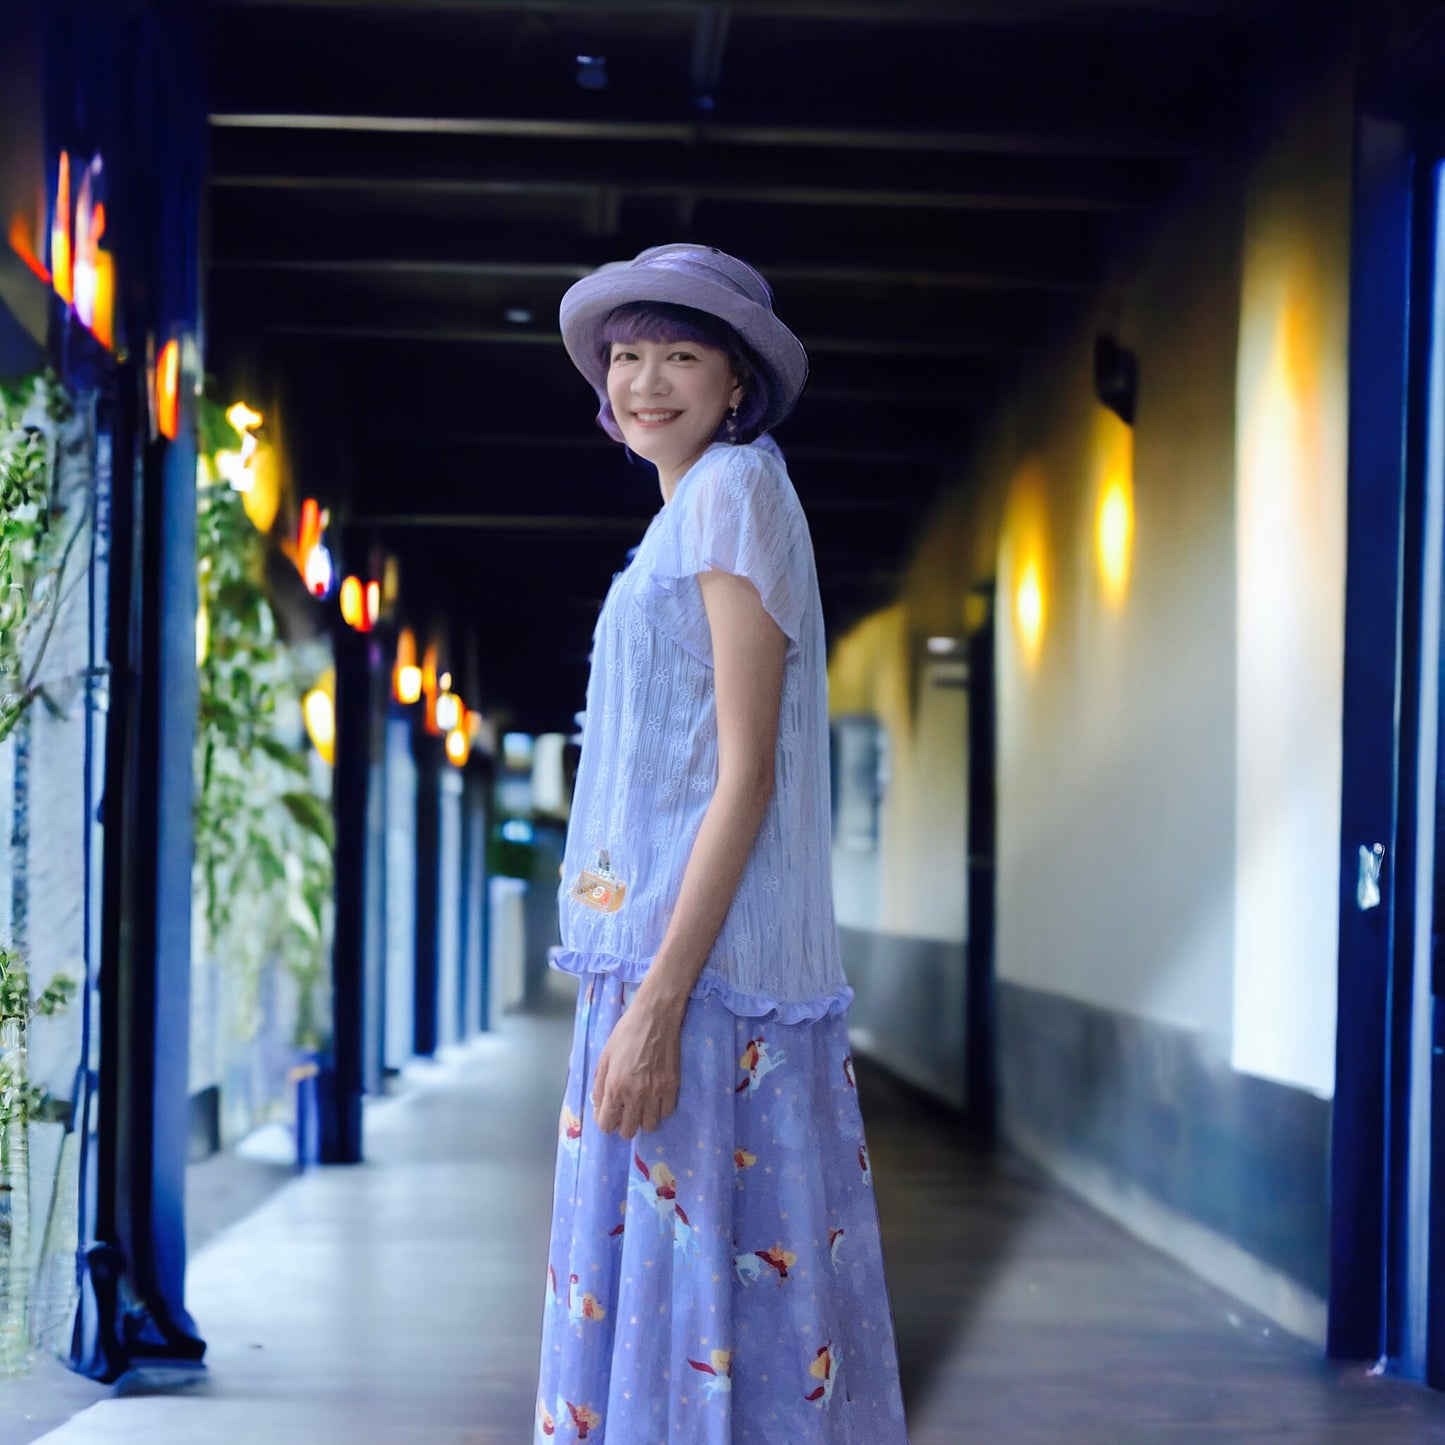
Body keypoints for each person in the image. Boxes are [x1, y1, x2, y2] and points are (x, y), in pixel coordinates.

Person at [535, 243, 910, 1444]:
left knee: (702, 1305)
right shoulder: (677, 518)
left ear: (735, 381)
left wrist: (654, 1002)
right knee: (672, 1304)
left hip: (700, 989)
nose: (645, 379)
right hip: (654, 969)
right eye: (626, 355)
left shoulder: (736, 491)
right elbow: (643, 780)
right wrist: (609, 946)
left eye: (680, 355)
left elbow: (743, 773)